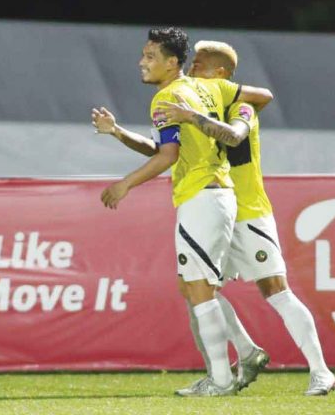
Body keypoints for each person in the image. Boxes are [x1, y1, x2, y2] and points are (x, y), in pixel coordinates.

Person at [94, 27, 272, 397]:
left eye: (150, 56)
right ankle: (246, 352)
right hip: (218, 196)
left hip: (202, 197)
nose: (142, 63)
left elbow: (168, 157)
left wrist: (125, 184)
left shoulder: (166, 97)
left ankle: (222, 379)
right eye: (143, 55)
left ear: (172, 62)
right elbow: (260, 97)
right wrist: (118, 133)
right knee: (192, 286)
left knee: (199, 289)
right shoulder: (205, 88)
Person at [157, 40, 335, 396]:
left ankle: (321, 371)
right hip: (217, 209)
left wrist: (192, 117)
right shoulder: (201, 101)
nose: (192, 69)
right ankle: (246, 351)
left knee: (274, 289)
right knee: (193, 287)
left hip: (248, 210)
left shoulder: (241, 107)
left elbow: (237, 133)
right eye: (191, 64)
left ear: (221, 74)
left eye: (200, 64)